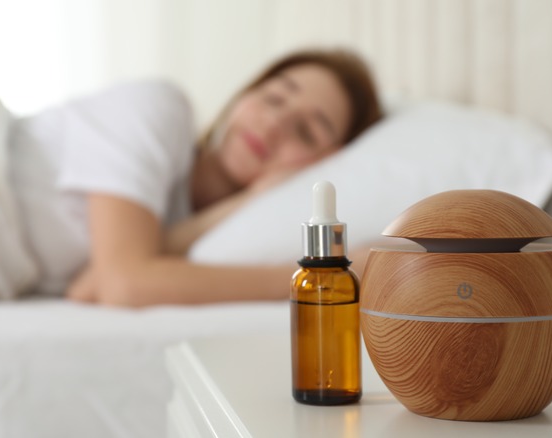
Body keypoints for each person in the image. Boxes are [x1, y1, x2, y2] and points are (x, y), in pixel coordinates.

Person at [20, 48, 384, 307]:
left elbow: (89, 284)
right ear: (243, 95)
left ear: (325, 164)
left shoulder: (184, 222)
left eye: (305, 131)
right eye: (273, 97)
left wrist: (244, 202)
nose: (274, 124)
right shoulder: (159, 108)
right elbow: (123, 283)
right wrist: (321, 277)